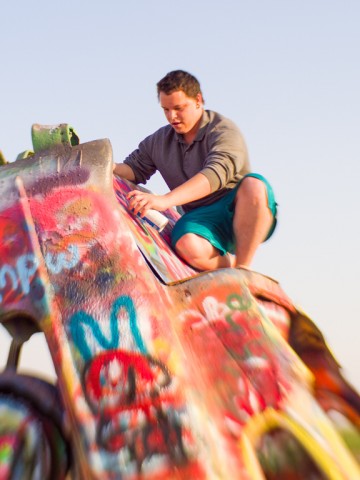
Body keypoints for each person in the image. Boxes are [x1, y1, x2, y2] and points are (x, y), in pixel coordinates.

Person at [113, 70, 277, 271]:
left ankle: (244, 269)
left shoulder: (223, 130)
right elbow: (134, 168)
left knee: (254, 185)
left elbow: (215, 174)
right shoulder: (159, 141)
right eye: (165, 109)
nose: (172, 117)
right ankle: (229, 266)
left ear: (198, 100)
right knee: (185, 244)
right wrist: (106, 165)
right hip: (200, 219)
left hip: (235, 209)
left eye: (179, 108)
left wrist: (165, 201)